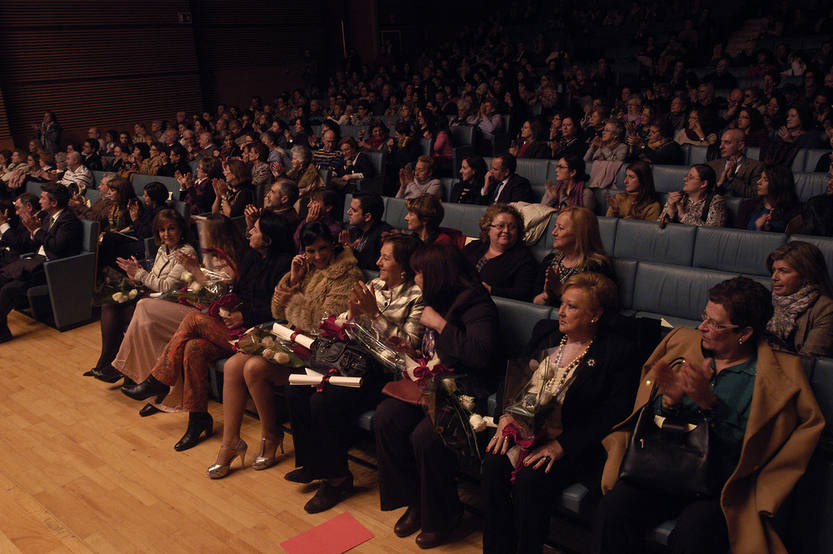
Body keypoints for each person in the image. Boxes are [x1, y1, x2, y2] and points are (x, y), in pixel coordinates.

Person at [593, 277, 824, 554]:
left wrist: (709, 404)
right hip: (664, 466)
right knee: (613, 511)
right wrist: (670, 401)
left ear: (745, 333)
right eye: (705, 316)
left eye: (715, 324)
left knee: (693, 535)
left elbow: (750, 450)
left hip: (719, 485)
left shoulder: (769, 378)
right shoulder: (684, 349)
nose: (702, 326)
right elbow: (652, 423)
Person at [483, 273, 640, 554]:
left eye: (573, 307)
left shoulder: (617, 352)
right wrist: (505, 415)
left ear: (595, 314)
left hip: (574, 443)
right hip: (526, 432)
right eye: (563, 304)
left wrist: (562, 446)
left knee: (532, 479)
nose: (563, 312)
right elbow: (511, 377)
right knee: (494, 462)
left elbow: (613, 414)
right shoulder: (548, 333)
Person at [123, 211, 295, 450]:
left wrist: (244, 314)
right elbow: (241, 294)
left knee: (193, 320)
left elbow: (279, 308)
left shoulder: (285, 263)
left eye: (255, 230)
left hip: (259, 334)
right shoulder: (252, 258)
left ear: (268, 239)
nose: (250, 232)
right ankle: (198, 418)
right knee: (194, 348)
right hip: (236, 326)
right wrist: (231, 308)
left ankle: (159, 379)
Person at [206, 221, 362, 478]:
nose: (318, 256)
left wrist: (291, 300)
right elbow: (277, 311)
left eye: (323, 249)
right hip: (292, 338)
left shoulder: (348, 274)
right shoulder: (307, 268)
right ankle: (230, 443)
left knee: (254, 368)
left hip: (320, 350)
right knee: (235, 365)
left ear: (334, 245)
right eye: (311, 251)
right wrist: (293, 280)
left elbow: (323, 323)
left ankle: (271, 434)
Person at [285, 234, 425, 512]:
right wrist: (350, 315)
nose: (377, 262)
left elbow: (409, 347)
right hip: (351, 358)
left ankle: (338, 480)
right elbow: (344, 326)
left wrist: (375, 316)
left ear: (404, 265)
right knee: (295, 386)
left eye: (385, 258)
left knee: (323, 400)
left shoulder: (417, 297)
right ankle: (314, 464)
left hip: (383, 372)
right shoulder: (373, 285)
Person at [374, 244, 501, 549]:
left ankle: (444, 514)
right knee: (386, 418)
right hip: (433, 384)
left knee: (426, 437)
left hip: (466, 390)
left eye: (419, 272)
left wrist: (441, 325)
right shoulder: (435, 299)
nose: (415, 278)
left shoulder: (476, 303)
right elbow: (436, 350)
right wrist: (412, 352)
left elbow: (480, 355)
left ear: (436, 274)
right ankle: (415, 500)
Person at [108, 215, 245, 386]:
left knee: (143, 307)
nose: (202, 237)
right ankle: (140, 377)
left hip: (208, 317)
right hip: (191, 305)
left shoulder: (227, 260)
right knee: (143, 321)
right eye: (162, 230)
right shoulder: (206, 256)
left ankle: (129, 370)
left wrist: (194, 271)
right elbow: (196, 287)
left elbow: (217, 297)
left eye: (205, 233)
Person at [86, 209, 195, 382]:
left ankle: (119, 368)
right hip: (153, 297)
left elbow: (167, 287)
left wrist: (140, 274)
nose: (166, 234)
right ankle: (106, 362)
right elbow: (153, 279)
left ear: (181, 230)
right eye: (162, 230)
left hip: (172, 304)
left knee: (128, 312)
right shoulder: (162, 249)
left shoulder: (186, 252)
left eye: (171, 228)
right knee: (110, 304)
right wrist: (136, 276)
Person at [0, 183, 82, 342]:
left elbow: (56, 247)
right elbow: (36, 243)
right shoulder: (47, 217)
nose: (40, 201)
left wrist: (36, 230)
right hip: (37, 263)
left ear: (54, 203)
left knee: (9, 289)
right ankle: (2, 330)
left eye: (43, 198)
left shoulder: (69, 221)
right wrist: (32, 231)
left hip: (53, 268)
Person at [533, 207, 614, 307]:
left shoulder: (596, 267)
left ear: (579, 233)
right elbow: (534, 303)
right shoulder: (550, 260)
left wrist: (560, 291)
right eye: (555, 227)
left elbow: (594, 309)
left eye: (561, 228)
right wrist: (547, 295)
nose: (554, 232)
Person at [766, 242, 833, 357]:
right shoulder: (766, 300)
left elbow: (810, 361)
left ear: (806, 275)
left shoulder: (825, 309)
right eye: (774, 270)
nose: (774, 277)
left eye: (783, 271)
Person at [463, 204, 537, 301]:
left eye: (512, 227)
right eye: (500, 226)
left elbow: (523, 294)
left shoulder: (524, 260)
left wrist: (491, 290)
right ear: (488, 228)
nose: (506, 231)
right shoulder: (475, 246)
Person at [735, 164, 801, 232]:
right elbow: (738, 237)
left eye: (765, 179)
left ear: (778, 184)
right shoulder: (746, 206)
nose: (758, 182)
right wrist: (758, 229)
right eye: (760, 178)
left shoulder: (794, 211)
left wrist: (768, 229)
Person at [659, 164, 726, 227]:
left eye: (690, 177)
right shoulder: (677, 197)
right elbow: (659, 228)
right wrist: (671, 210)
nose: (685, 179)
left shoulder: (716, 201)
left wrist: (683, 216)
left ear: (703, 184)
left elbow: (711, 232)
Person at [339, 192, 393, 270]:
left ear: (367, 217)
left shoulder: (384, 236)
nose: (348, 212)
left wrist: (351, 251)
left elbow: (376, 266)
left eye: (353, 210)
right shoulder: (353, 230)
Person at [707, 129, 764, 199]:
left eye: (727, 142)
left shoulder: (756, 166)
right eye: (721, 142)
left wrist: (732, 179)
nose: (721, 147)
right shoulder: (712, 165)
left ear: (740, 146)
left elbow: (755, 194)